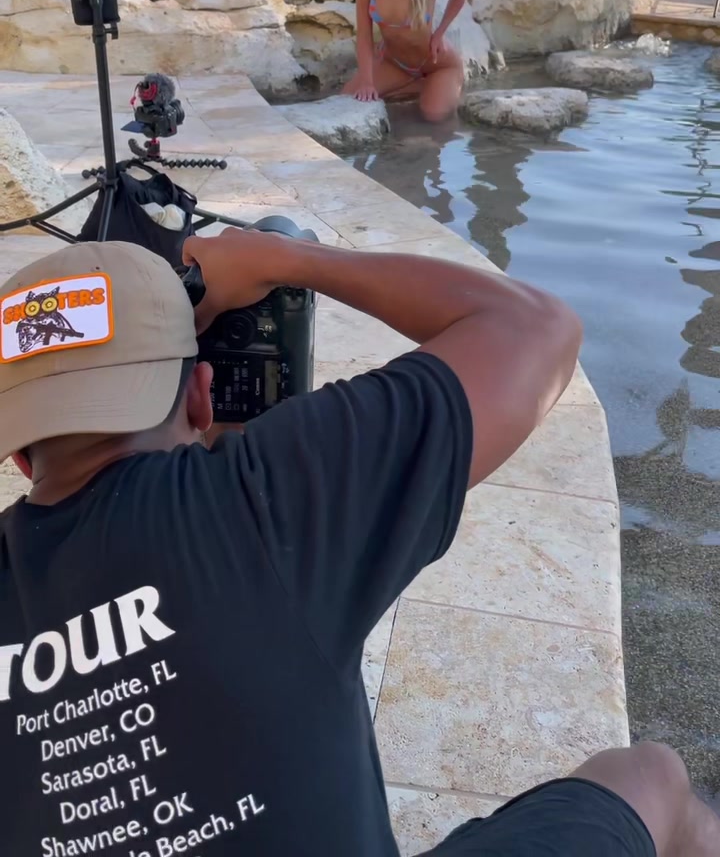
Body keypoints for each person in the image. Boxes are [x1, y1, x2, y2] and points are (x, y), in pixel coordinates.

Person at [0, 233, 716, 857]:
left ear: (23, 458)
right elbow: (537, 328)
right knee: (651, 779)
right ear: (200, 396)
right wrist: (284, 258)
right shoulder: (257, 502)